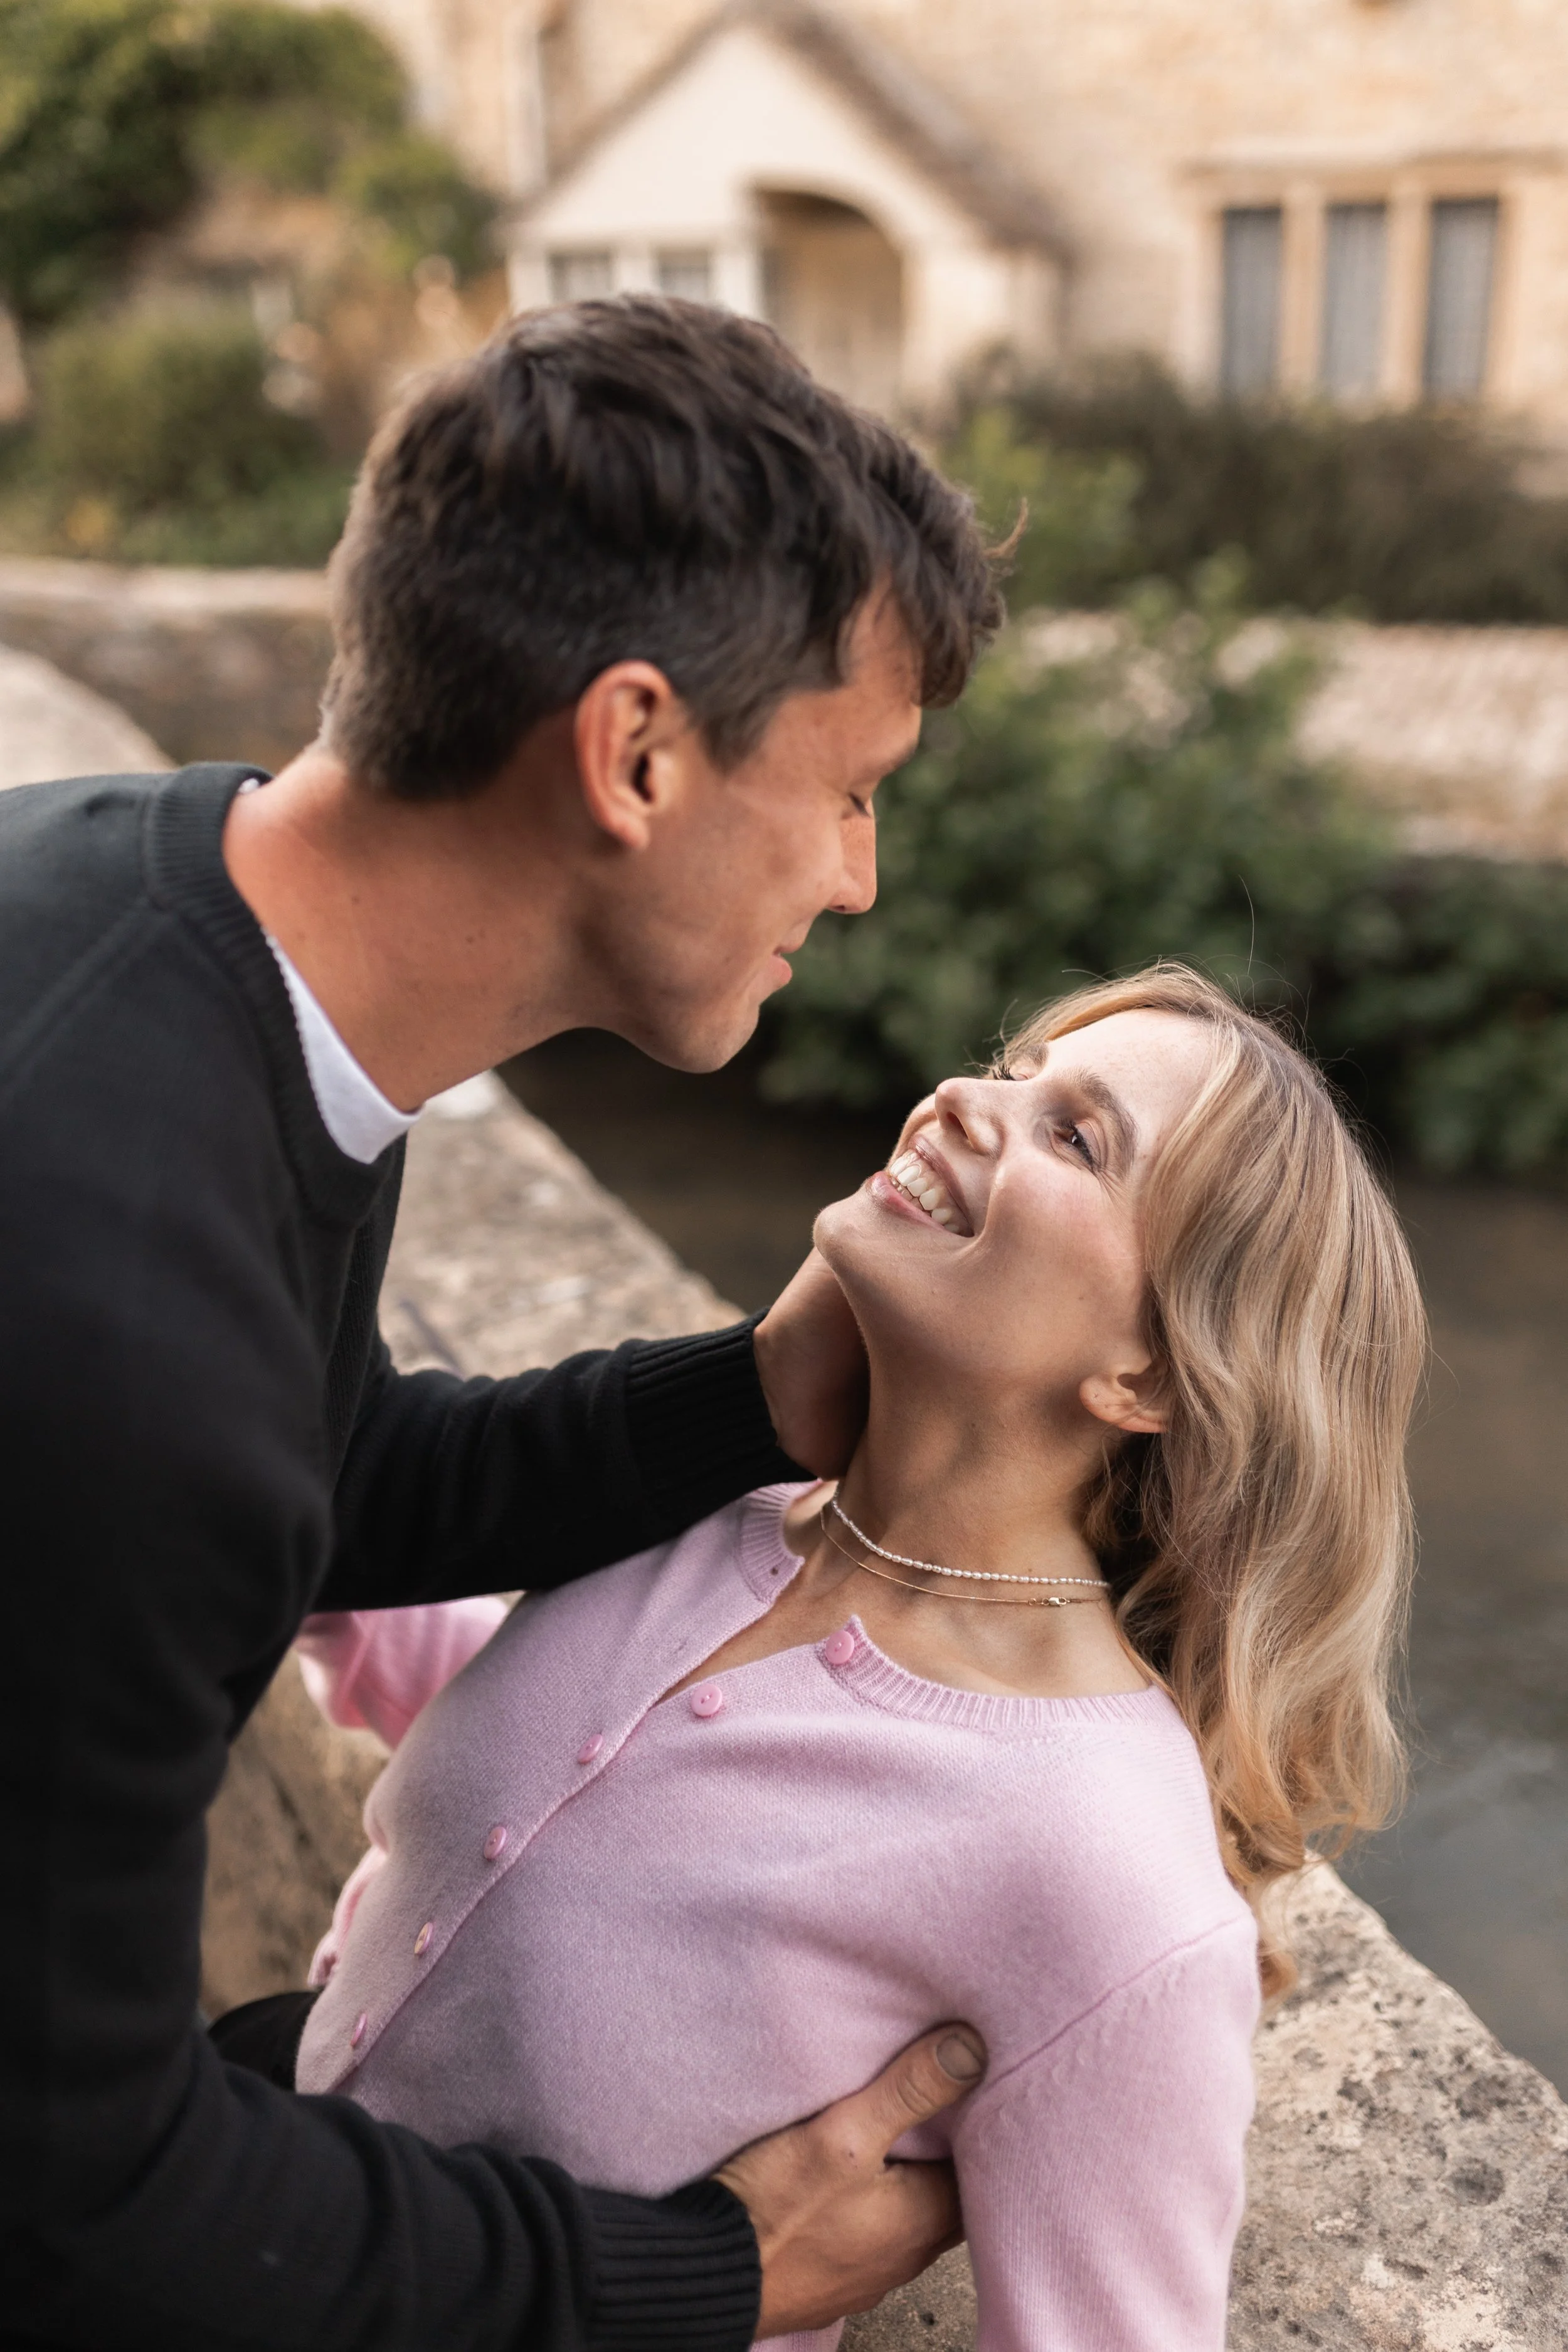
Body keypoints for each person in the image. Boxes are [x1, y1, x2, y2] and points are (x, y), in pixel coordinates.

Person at [0, 297, 1004, 2352]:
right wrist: (711, 2275)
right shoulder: (114, 1310)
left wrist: (750, 1395)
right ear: (635, 753)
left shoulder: (139, 898)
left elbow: (317, 1468)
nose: (861, 878)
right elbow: (76, 2207)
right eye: (848, 790)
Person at [285, 966, 1429, 2352]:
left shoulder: (1104, 1864)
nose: (963, 1100)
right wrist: (284, 1532)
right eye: (1009, 1071)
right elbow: (582, 1765)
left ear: (1147, 1376)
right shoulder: (706, 1506)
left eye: (1075, 1135)